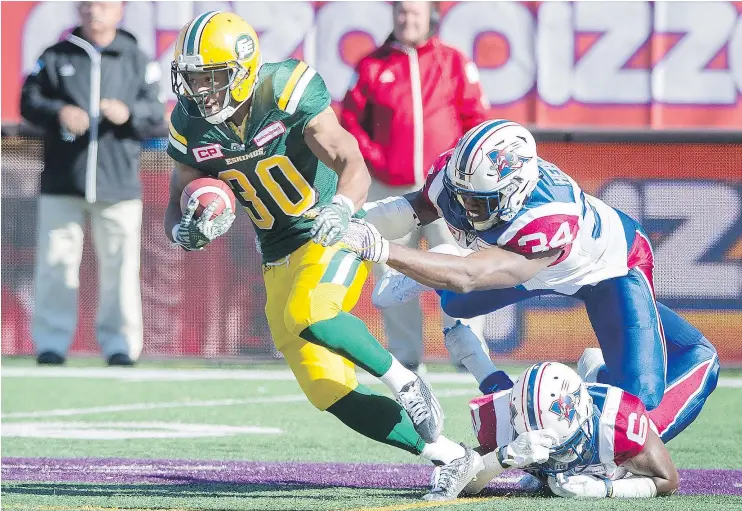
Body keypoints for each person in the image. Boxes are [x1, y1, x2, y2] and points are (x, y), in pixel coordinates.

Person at [163, 10, 482, 501]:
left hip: (329, 226)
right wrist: (188, 228)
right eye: (193, 79)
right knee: (323, 386)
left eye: (211, 78)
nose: (201, 91)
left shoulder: (285, 90)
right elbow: (177, 201)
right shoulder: (190, 124)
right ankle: (448, 455)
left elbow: (348, 158)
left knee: (309, 311)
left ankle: (406, 380)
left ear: (243, 70)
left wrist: (341, 207)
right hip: (277, 254)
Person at [342, 119, 719, 417]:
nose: (465, 209)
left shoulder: (548, 217)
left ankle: (596, 381)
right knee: (455, 305)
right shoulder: (461, 177)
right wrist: (350, 218)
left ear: (516, 190)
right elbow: (417, 208)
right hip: (531, 263)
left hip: (609, 270)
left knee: (638, 411)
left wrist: (378, 248)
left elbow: (470, 275)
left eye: (479, 203)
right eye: (462, 196)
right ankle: (445, 257)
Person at [341, 1, 491, 373]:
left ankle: (467, 354)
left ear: (431, 17)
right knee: (391, 271)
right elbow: (349, 121)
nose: (407, 19)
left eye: (415, 12)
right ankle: (406, 358)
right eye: (402, 12)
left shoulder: (453, 62)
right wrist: (376, 157)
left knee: (460, 266)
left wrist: (460, 167)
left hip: (449, 189)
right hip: (388, 190)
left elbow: (477, 118)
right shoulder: (371, 65)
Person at [20, 1, 164, 366]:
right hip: (62, 182)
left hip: (118, 184)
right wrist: (59, 112)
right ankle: (51, 344)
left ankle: (120, 347)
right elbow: (28, 101)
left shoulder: (136, 58)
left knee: (121, 269)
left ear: (120, 11)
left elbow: (157, 113)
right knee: (56, 264)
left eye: (102, 4)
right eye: (86, 4)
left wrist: (128, 113)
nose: (92, 11)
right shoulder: (55, 55)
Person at [462, 358, 717, 498]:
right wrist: (502, 458)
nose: (557, 460)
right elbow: (453, 479)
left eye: (564, 447)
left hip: (610, 399)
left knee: (706, 358)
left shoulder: (616, 421)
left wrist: (605, 489)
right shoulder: (499, 422)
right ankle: (470, 351)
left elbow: (668, 481)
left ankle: (595, 367)